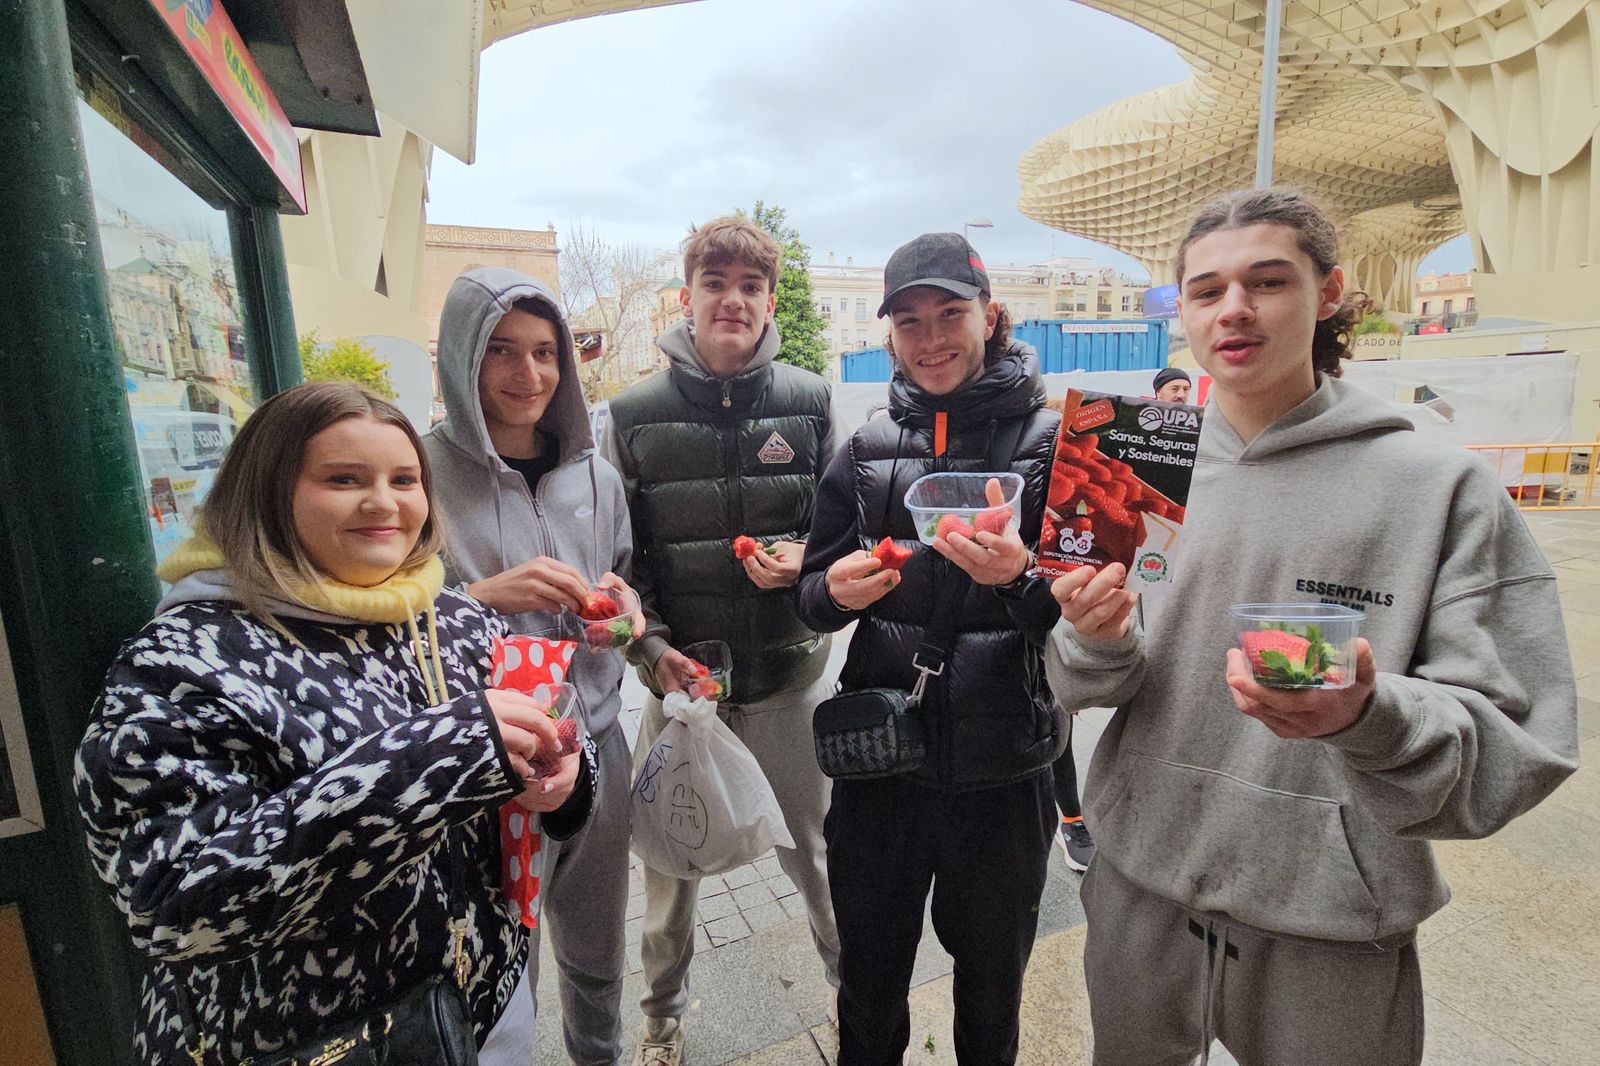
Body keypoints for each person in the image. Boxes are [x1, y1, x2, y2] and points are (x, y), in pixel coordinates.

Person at [1046, 187, 1579, 1066]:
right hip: (1139, 881)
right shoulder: (1135, 470)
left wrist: (1370, 718)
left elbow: (1520, 746)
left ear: (1328, 293)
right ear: (1181, 309)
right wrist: (1092, 638)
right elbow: (1084, 685)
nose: (1235, 310)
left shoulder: (1437, 488)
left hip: (1331, 915)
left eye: (1268, 281)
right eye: (1207, 290)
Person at [75, 381, 594, 1064]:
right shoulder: (183, 659)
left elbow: (539, 783)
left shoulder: (455, 619)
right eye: (344, 479)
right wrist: (439, 756)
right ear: (267, 491)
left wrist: (565, 782)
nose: (383, 502)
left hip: (483, 1012)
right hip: (307, 1043)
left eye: (404, 479)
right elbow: (172, 903)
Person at [796, 232, 1068, 1066]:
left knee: (993, 994)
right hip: (881, 769)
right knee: (869, 992)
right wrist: (834, 594)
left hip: (1006, 772)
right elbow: (811, 591)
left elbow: (1091, 614)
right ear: (889, 337)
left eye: (951, 313)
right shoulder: (866, 449)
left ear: (990, 315)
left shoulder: (1058, 441)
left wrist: (1023, 581)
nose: (932, 337)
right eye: (909, 321)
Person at [600, 216, 842, 1066]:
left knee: (817, 857)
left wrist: (810, 561)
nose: (732, 300)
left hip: (789, 680)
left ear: (768, 299)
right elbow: (617, 564)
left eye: (749, 286)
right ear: (688, 297)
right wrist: (651, 651)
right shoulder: (630, 415)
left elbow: (841, 534)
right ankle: (662, 1025)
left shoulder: (810, 401)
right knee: (668, 873)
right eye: (716, 284)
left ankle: (859, 1003)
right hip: (679, 688)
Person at [425, 267, 638, 1066]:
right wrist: (482, 596)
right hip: (486, 761)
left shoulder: (599, 475)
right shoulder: (416, 472)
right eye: (502, 351)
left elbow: (622, 581)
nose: (530, 375)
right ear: (462, 359)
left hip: (597, 746)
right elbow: (383, 628)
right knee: (501, 957)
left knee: (596, 947)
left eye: (546, 352)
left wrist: (625, 616)